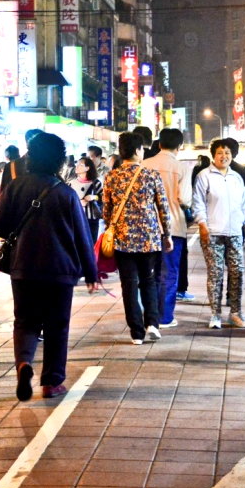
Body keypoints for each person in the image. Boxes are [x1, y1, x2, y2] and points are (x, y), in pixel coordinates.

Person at [0, 132, 98, 400]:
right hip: (60, 269)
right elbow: (82, 236)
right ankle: (51, 381)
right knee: (56, 325)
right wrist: (91, 272)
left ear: (31, 157)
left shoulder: (16, 186)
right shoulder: (66, 193)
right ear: (60, 161)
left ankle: (24, 363)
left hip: (23, 266)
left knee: (25, 321)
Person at [103, 132, 172, 345]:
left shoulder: (111, 177)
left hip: (122, 239)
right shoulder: (151, 175)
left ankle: (136, 333)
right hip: (148, 238)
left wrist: (113, 228)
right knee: (148, 281)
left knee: (129, 284)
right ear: (137, 150)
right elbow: (163, 207)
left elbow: (106, 211)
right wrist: (167, 234)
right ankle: (152, 324)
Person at [193, 139, 245, 329]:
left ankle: (235, 313)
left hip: (235, 232)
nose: (224, 156)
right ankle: (215, 315)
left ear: (232, 155)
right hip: (212, 233)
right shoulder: (204, 176)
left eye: (227, 152)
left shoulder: (236, 177)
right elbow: (198, 203)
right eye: (220, 152)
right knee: (215, 274)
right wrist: (202, 225)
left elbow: (244, 203)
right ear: (213, 155)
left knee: (237, 272)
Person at [143, 128, 191, 329]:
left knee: (148, 273)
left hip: (147, 226)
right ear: (179, 146)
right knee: (169, 273)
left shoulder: (145, 164)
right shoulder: (182, 168)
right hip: (173, 226)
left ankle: (150, 316)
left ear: (159, 143)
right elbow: (185, 199)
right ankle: (164, 317)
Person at [69, 156, 103, 244]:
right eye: (77, 164)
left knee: (91, 242)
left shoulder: (96, 183)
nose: (77, 166)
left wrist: (94, 197)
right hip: (76, 217)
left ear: (87, 168)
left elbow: (103, 198)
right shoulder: (71, 183)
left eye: (80, 165)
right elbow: (66, 201)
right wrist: (78, 203)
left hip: (91, 219)